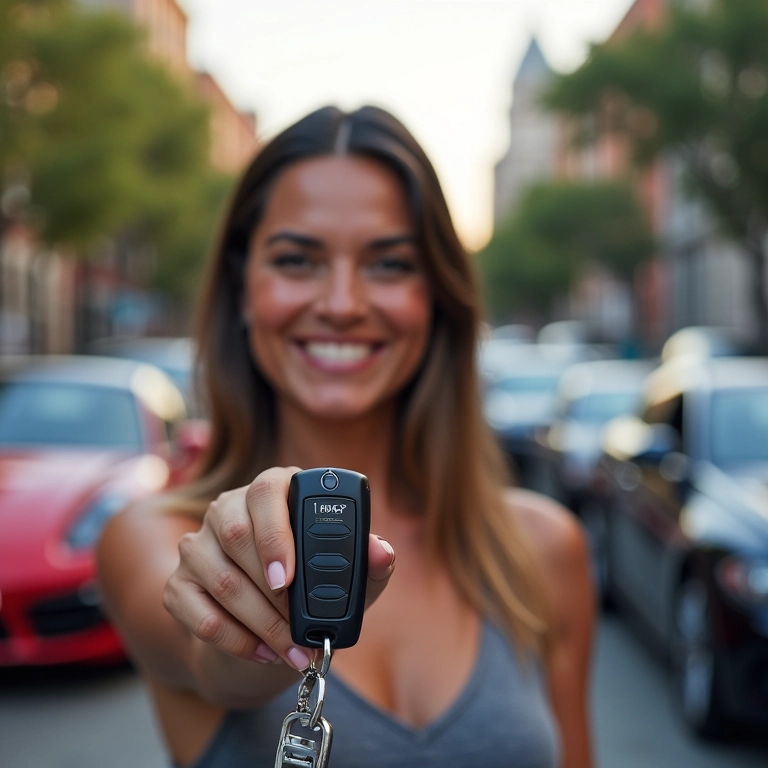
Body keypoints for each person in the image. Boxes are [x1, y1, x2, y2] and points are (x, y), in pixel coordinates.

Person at [97, 105, 595, 768]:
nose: (341, 302)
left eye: (388, 265)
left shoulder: (542, 547)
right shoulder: (161, 543)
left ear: (437, 297)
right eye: (297, 259)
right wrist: (252, 606)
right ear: (244, 289)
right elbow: (207, 659)